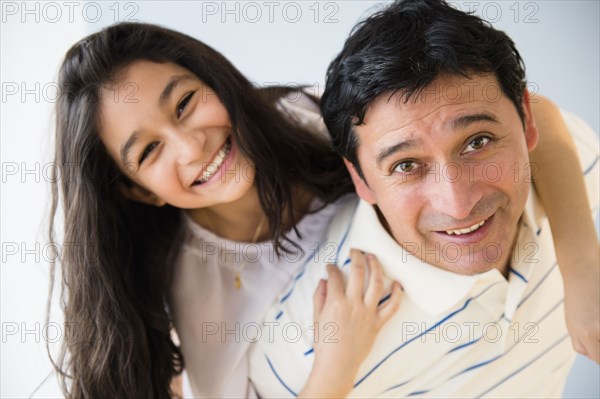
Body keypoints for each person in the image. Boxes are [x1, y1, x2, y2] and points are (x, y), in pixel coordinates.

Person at [49, 19, 594, 399]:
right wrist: (336, 362)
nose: (193, 146)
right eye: (149, 151)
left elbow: (526, 116)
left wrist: (583, 272)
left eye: (186, 103)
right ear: (140, 191)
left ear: (215, 79)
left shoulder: (303, 115)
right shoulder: (201, 303)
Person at [248, 0, 599, 397]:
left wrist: (584, 265)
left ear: (525, 122)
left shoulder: (576, 163)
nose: (457, 203)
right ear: (360, 177)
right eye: (406, 166)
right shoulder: (304, 350)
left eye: (477, 142)